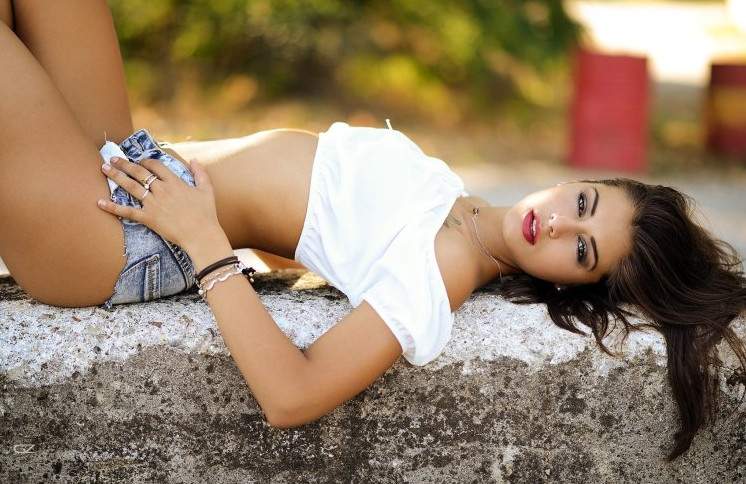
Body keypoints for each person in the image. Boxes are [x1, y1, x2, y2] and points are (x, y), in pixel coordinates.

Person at [0, 1, 743, 462]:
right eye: (582, 202)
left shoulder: (443, 273)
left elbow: (291, 397)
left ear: (574, 284)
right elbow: (315, 218)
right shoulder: (455, 202)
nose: (554, 224)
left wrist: (204, 240)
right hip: (137, 167)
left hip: (119, 237)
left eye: (580, 250)